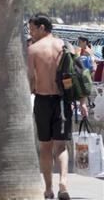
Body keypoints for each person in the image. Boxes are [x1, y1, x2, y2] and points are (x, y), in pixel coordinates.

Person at [28, 13, 88, 200]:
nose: (31, 33)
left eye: (32, 29)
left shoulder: (33, 49)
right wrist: (83, 103)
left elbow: (30, 81)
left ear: (42, 28)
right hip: (63, 102)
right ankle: (63, 182)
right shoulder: (65, 46)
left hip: (43, 101)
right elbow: (78, 74)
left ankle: (48, 189)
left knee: (46, 147)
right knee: (61, 146)